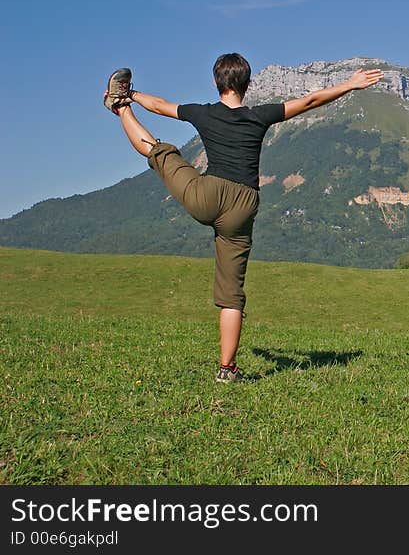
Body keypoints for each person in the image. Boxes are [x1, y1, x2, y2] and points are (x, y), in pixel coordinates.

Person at [103, 53, 384, 382]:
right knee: (231, 292)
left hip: (206, 194)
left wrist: (131, 95)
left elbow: (161, 105)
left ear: (215, 83)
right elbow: (310, 101)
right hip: (243, 205)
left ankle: (119, 107)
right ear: (248, 85)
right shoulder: (259, 116)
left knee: (160, 151)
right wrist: (349, 85)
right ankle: (226, 369)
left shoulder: (202, 113)